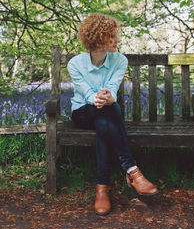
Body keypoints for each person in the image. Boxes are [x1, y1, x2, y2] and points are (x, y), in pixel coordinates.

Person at [67, 13, 158, 216]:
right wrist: (97, 98)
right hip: (82, 113)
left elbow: (112, 88)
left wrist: (107, 97)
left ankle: (102, 188)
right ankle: (132, 171)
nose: (118, 40)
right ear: (98, 38)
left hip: (105, 113)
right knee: (106, 112)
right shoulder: (75, 64)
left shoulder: (120, 60)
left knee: (104, 120)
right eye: (113, 36)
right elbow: (84, 92)